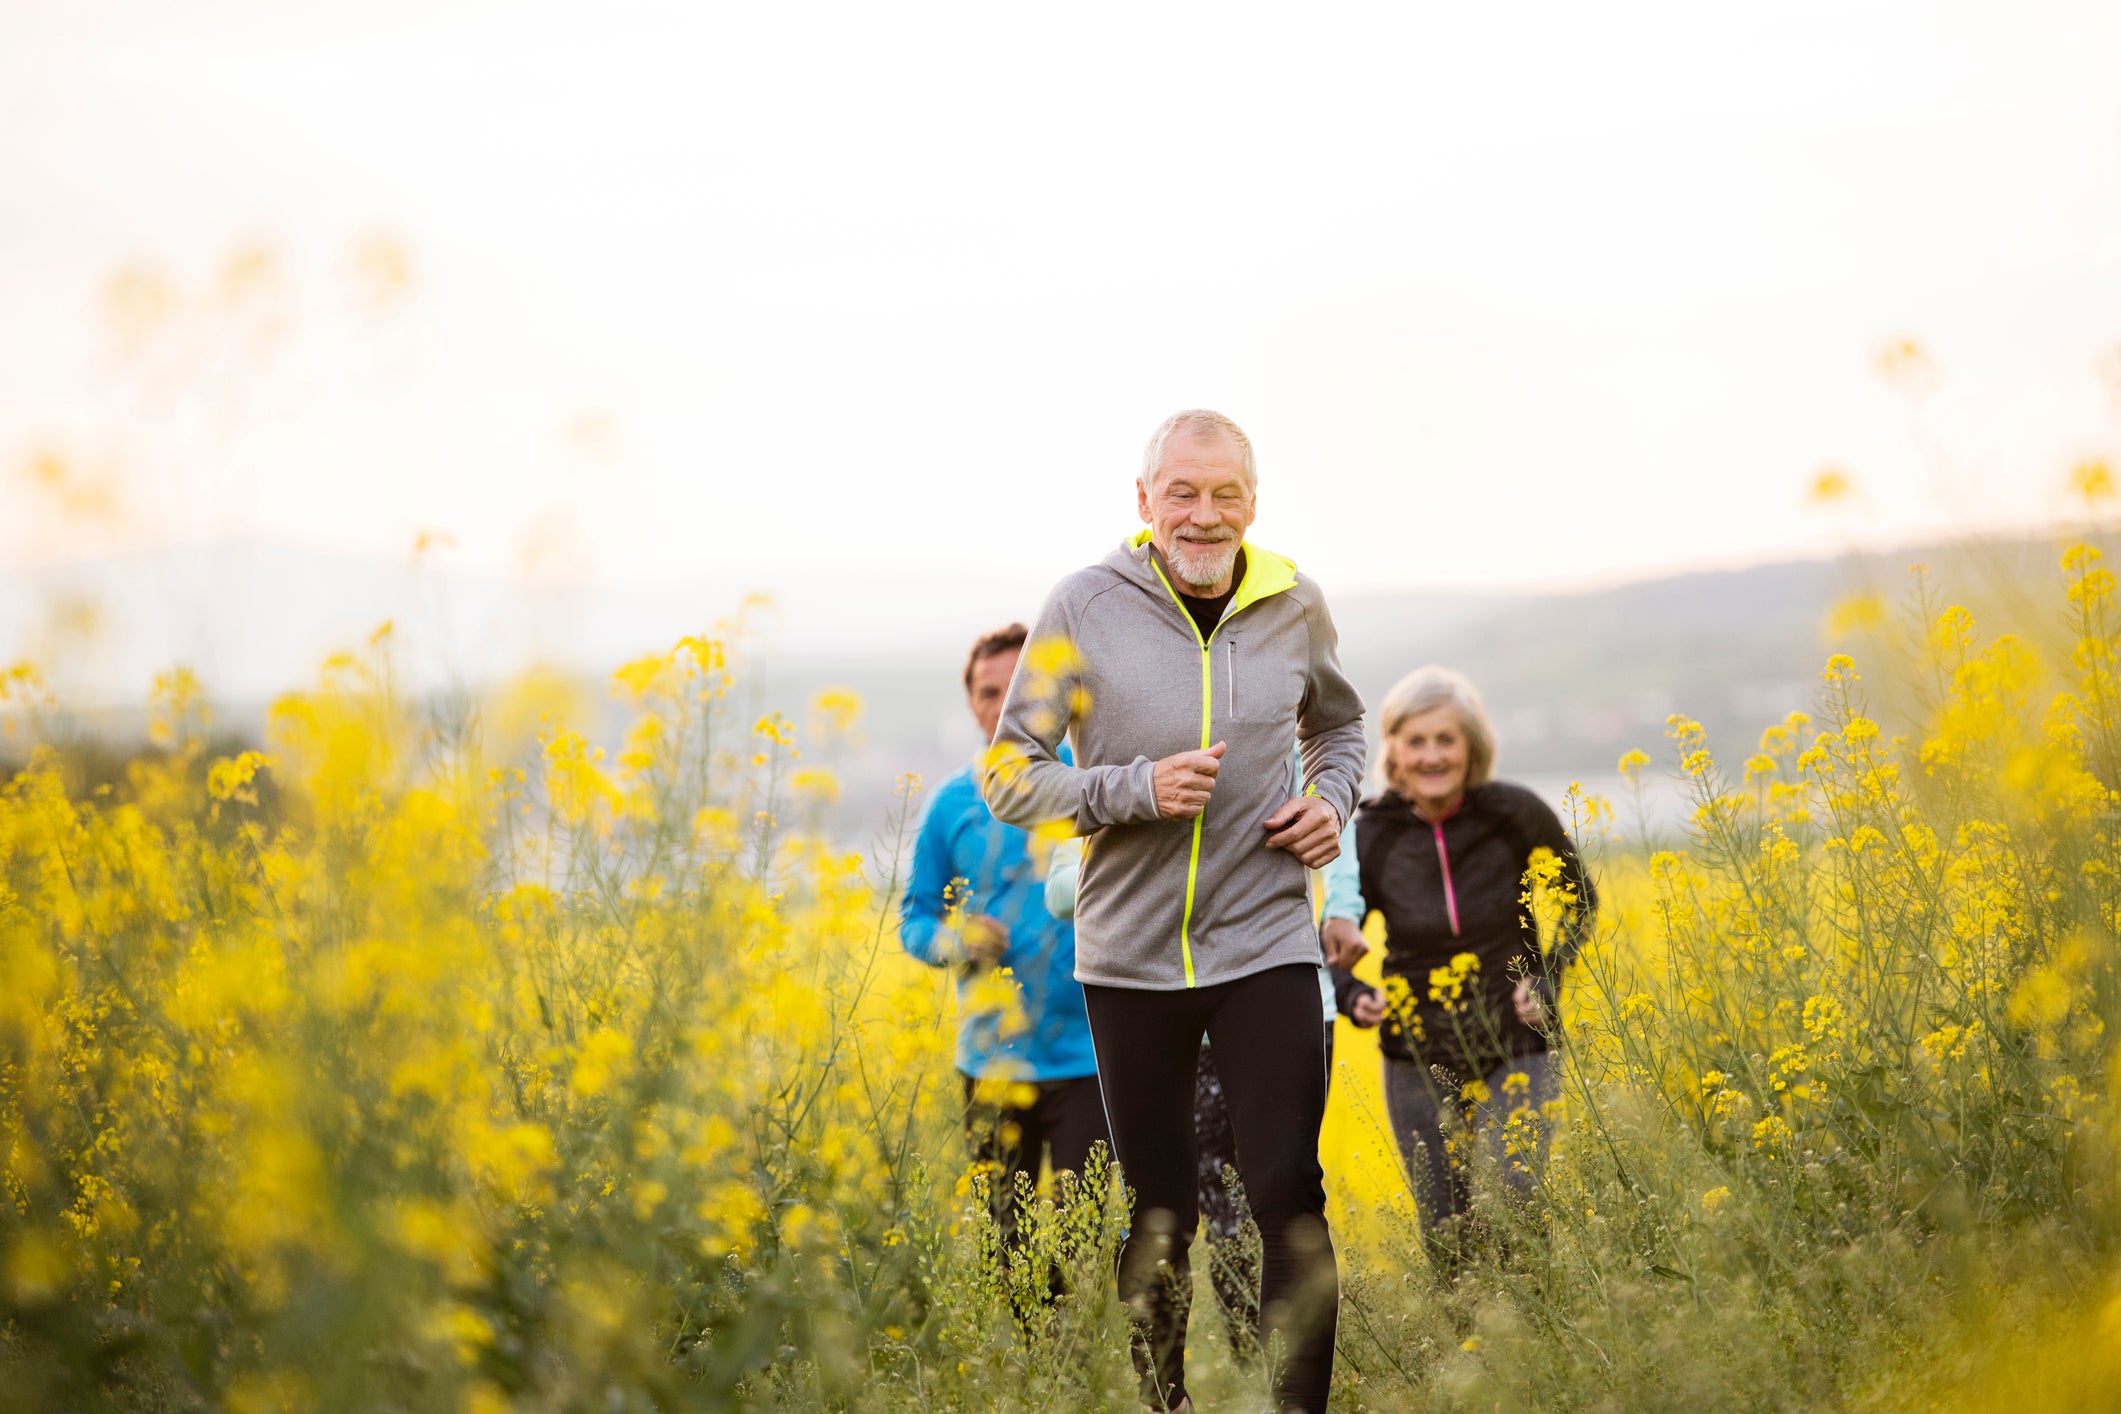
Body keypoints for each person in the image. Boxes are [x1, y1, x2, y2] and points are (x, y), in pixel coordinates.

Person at [984, 410, 1365, 1414]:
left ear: (1253, 501)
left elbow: (1340, 725)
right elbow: (1011, 775)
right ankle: (1170, 1403)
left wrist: (1330, 803)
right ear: (1144, 502)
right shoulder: (1082, 606)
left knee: (1288, 1191)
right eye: (1183, 494)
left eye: (1226, 493)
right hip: (1130, 958)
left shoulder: (1295, 602)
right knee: (1160, 1212)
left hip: (1267, 938)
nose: (1205, 515)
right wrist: (1132, 790)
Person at [1318, 665, 1597, 1274]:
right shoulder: (1369, 833)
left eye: (1446, 739)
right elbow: (1332, 937)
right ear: (1393, 749)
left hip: (1516, 1040)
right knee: (1445, 1227)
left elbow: (1581, 900)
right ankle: (1465, 1357)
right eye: (1415, 741)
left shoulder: (1514, 814)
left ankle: (1540, 1346)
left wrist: (1547, 976)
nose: (1432, 755)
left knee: (1516, 1202)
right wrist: (1349, 990)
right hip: (1417, 1051)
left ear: (1472, 745)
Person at [900, 623, 1107, 1267]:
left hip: (1089, 1059)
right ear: (972, 703)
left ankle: (1071, 1366)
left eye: (1021, 688)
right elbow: (915, 920)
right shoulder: (951, 806)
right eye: (990, 691)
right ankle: (1027, 1368)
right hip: (991, 1062)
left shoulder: (1091, 784)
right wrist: (955, 940)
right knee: (1006, 1251)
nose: (1003, 704)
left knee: (1080, 1247)